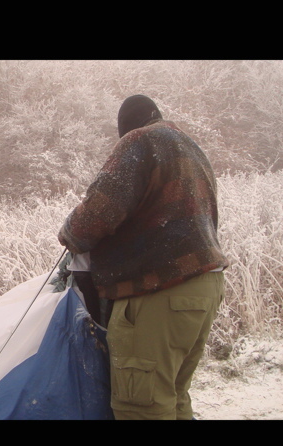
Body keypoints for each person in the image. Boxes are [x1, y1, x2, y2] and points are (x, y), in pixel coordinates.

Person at [58, 95, 229, 420]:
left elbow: (97, 213)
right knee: (174, 399)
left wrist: (70, 231)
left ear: (127, 128)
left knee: (141, 408)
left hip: (159, 293)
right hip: (204, 288)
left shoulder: (140, 141)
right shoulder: (192, 148)